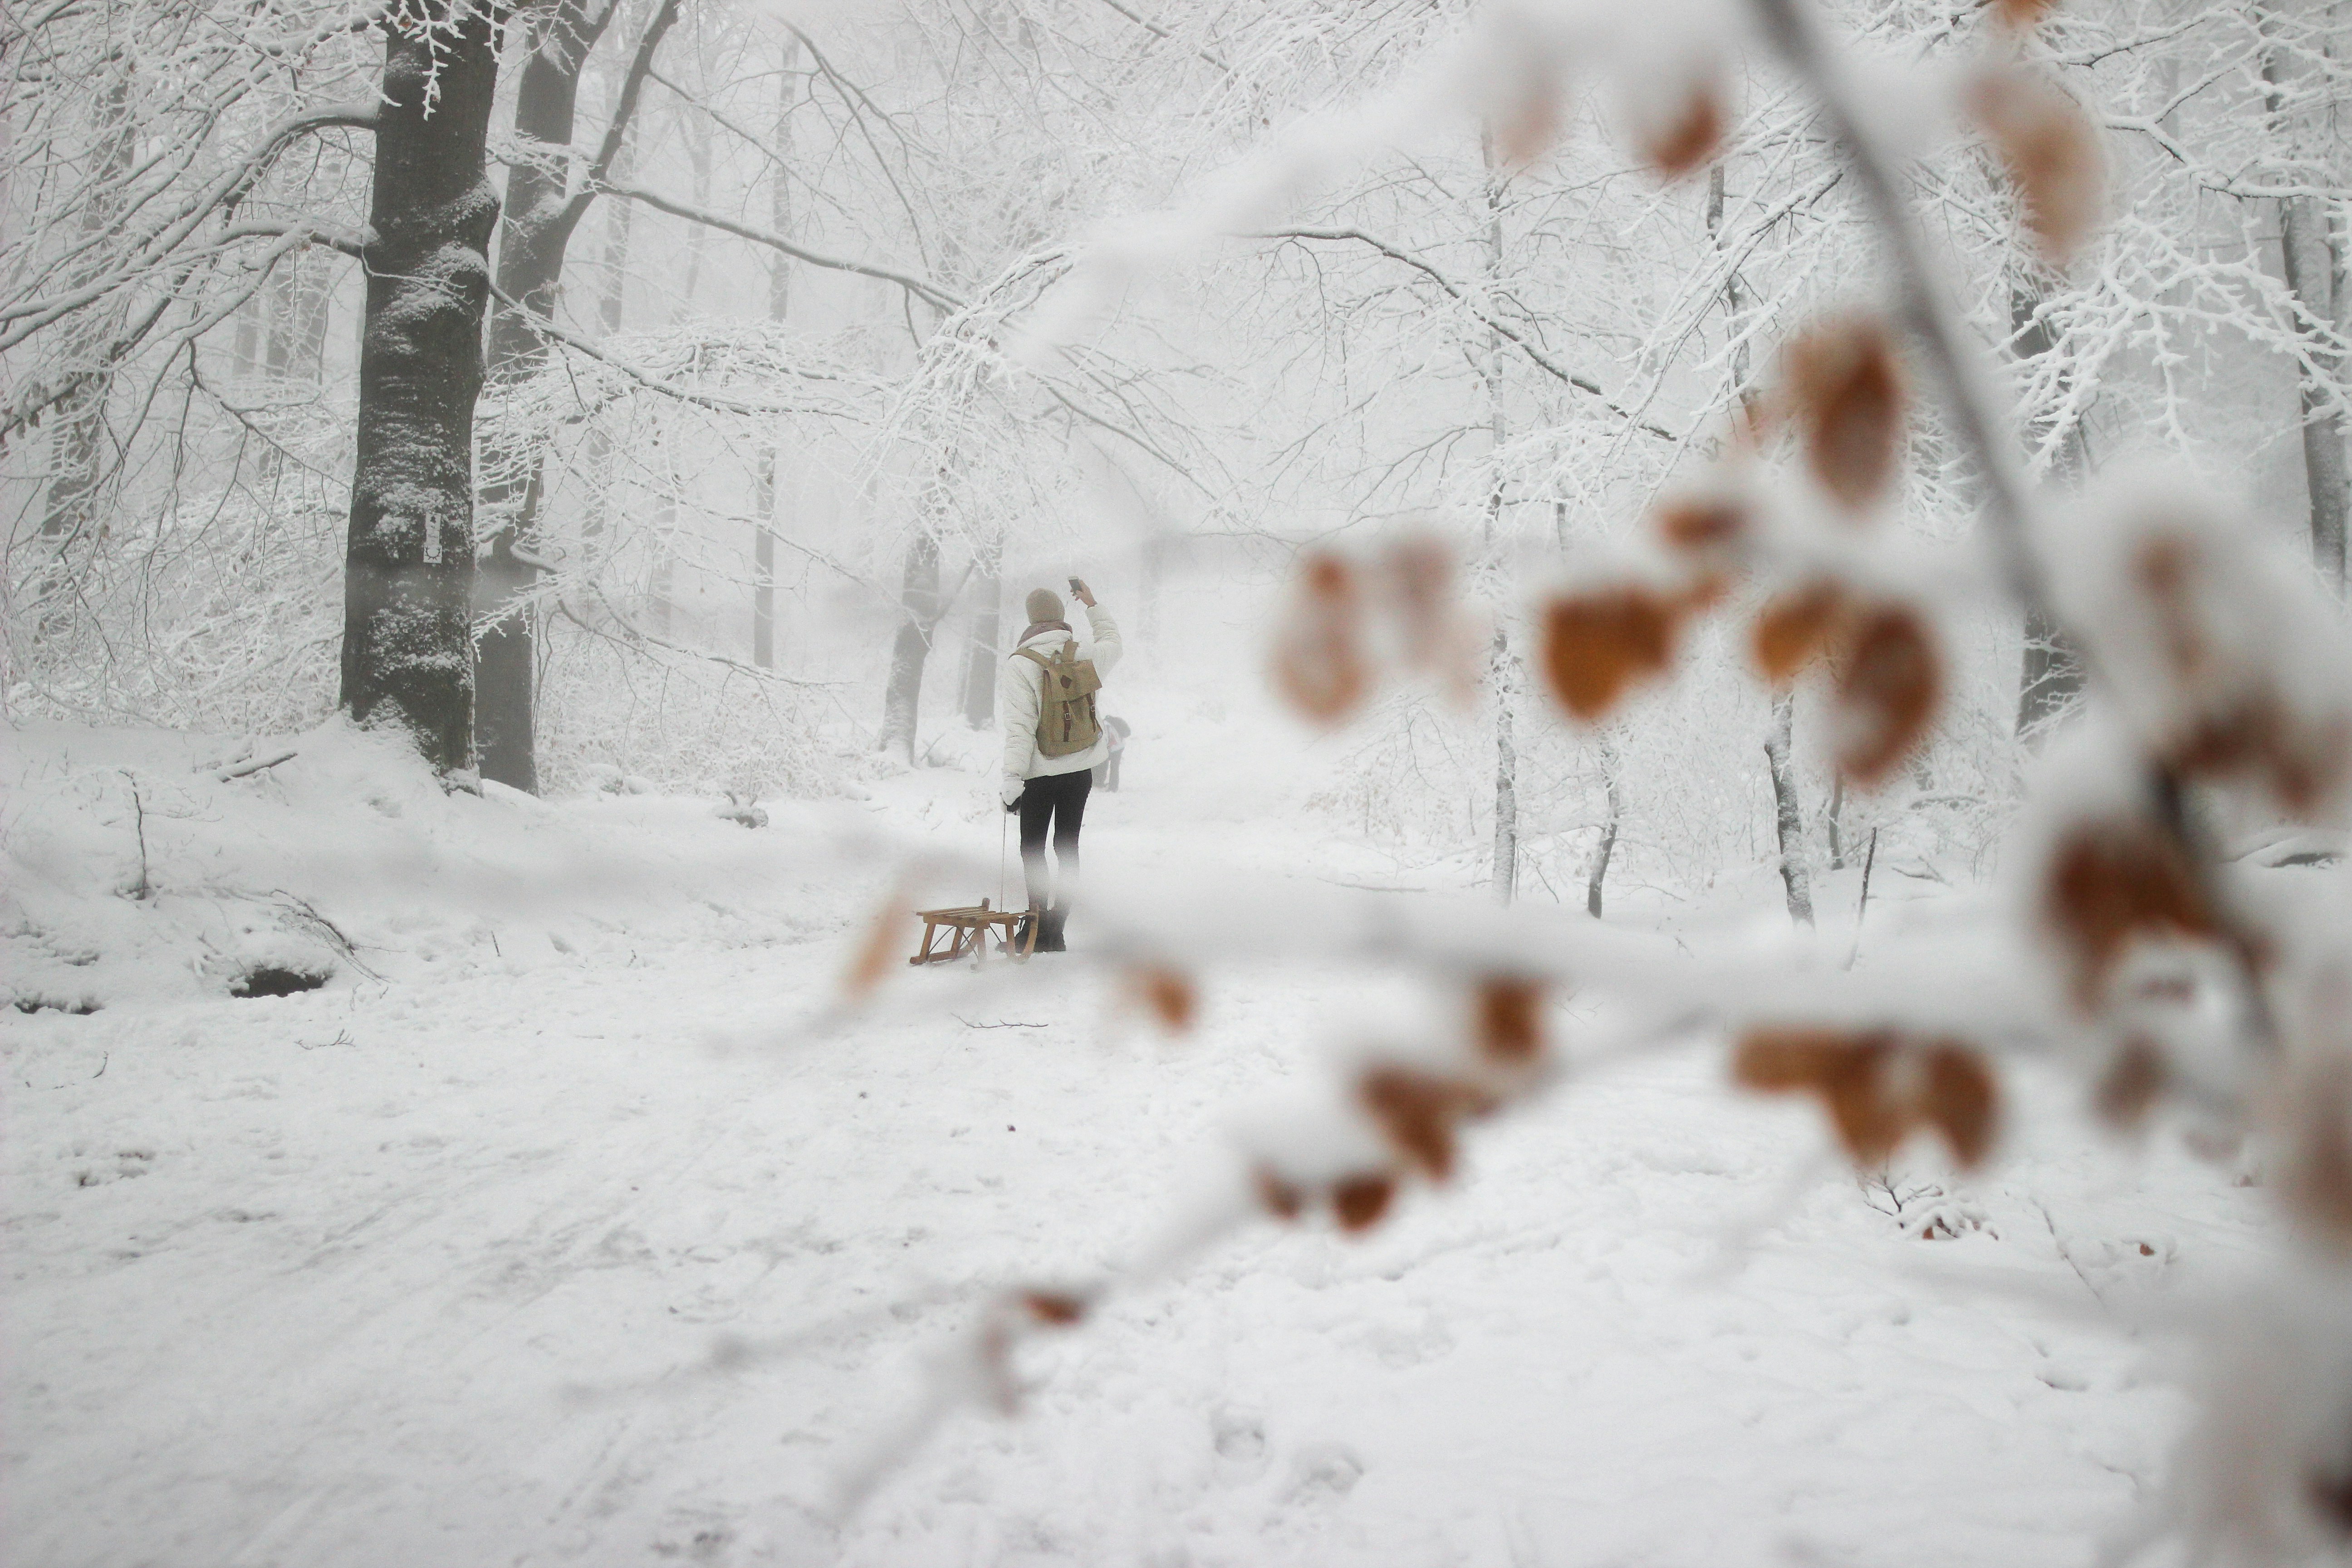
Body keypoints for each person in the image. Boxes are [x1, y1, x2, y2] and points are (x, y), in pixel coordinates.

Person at [999, 578, 1121, 953]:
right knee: (1068, 847)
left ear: (1030, 619)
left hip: (1039, 773)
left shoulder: (1021, 663)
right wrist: (1093, 603)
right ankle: (1057, 931)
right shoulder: (1082, 652)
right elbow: (1114, 644)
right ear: (1060, 616)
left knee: (1032, 850)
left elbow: (1021, 729)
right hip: (1081, 771)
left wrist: (1012, 780)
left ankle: (1033, 932)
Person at [1093, 715, 1131, 792]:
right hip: (1119, 746)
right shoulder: (1109, 724)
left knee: (1109, 765)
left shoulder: (1105, 726)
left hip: (1115, 747)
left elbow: (1110, 740)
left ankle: (1106, 785)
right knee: (1111, 765)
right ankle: (1110, 786)